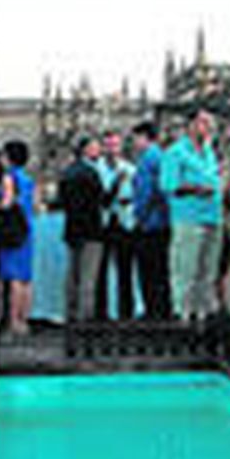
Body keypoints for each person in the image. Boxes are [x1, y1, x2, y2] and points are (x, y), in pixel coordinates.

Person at [161, 111, 222, 321]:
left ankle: (204, 313)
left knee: (208, 270)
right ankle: (182, 314)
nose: (208, 127)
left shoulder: (209, 152)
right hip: (189, 218)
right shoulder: (175, 152)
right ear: (191, 125)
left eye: (210, 123)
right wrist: (196, 189)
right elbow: (168, 185)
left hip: (213, 217)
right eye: (204, 122)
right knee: (185, 269)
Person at [60, 135, 108, 323]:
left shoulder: (68, 172)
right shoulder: (91, 173)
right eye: (96, 147)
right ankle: (84, 315)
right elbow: (102, 199)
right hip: (92, 229)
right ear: (86, 150)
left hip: (72, 228)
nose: (99, 151)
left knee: (73, 273)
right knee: (88, 275)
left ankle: (69, 312)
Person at [129, 122, 172, 319]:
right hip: (160, 221)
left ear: (145, 137)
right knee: (160, 269)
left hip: (150, 223)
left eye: (136, 139)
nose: (134, 143)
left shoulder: (149, 159)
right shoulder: (160, 156)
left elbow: (148, 191)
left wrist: (140, 216)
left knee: (149, 270)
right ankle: (160, 308)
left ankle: (154, 310)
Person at [0, 140, 35, 336]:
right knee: (25, 276)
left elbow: (6, 203)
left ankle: (13, 320)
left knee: (13, 278)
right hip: (26, 227)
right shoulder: (27, 179)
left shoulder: (9, 178)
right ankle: (24, 319)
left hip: (12, 229)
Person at [101, 130, 138, 320]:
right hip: (105, 222)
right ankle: (102, 312)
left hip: (125, 222)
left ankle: (127, 311)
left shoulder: (130, 169)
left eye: (115, 145)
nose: (111, 150)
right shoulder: (98, 169)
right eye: (108, 145)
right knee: (101, 270)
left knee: (126, 269)